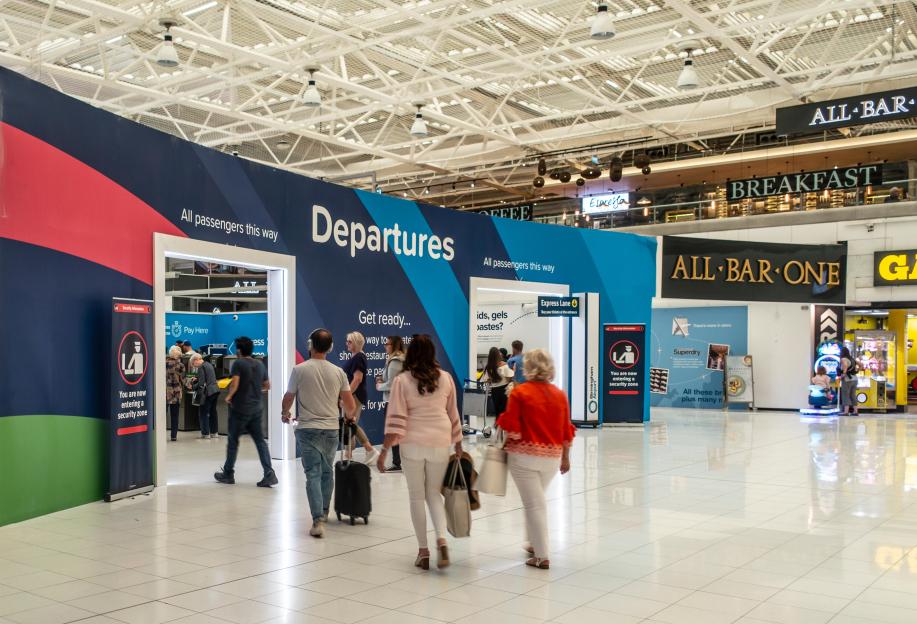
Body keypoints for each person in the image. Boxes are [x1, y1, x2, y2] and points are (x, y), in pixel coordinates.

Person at [376, 335, 462, 570]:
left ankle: (423, 551)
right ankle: (441, 540)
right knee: (434, 494)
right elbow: (453, 413)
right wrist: (458, 443)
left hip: (412, 441)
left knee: (416, 497)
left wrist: (384, 450)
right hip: (439, 441)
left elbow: (395, 419)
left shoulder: (402, 381)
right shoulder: (445, 378)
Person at [496, 349, 574, 570]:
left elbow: (512, 428)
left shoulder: (520, 393)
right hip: (551, 458)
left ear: (527, 367)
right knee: (535, 501)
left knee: (534, 504)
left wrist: (504, 444)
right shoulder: (560, 395)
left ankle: (541, 555)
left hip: (524, 458)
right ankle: (532, 542)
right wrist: (565, 458)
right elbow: (566, 431)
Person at [282, 329, 358, 538]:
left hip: (307, 429)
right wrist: (348, 415)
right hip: (331, 429)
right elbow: (350, 405)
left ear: (310, 345)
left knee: (312, 474)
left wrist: (284, 412)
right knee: (327, 472)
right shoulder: (338, 372)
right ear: (331, 347)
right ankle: (324, 512)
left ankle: (317, 520)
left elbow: (288, 397)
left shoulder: (299, 370)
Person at [214, 337, 277, 487]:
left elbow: (235, 383)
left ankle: (228, 473)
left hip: (240, 409)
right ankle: (269, 474)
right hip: (256, 409)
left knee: (233, 442)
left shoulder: (239, 363)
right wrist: (255, 391)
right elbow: (267, 385)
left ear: (239, 350)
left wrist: (229, 396)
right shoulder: (260, 364)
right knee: (260, 442)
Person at [343, 331, 379, 465]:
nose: (347, 343)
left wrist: (347, 395)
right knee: (349, 424)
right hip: (354, 395)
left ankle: (368, 450)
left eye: (350, 341)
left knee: (350, 423)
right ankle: (351, 454)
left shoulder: (359, 357)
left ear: (357, 343)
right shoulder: (356, 356)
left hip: (355, 395)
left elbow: (357, 379)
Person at [376, 335, 406, 471]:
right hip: (394, 399)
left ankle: (397, 462)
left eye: (387, 344)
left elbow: (393, 383)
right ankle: (398, 461)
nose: (385, 346)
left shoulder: (395, 361)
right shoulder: (395, 359)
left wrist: (379, 386)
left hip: (393, 400)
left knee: (392, 431)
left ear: (393, 346)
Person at [191, 354, 220, 438]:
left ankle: (205, 433)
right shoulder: (208, 364)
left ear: (196, 360)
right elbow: (209, 377)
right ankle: (214, 433)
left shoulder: (201, 367)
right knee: (213, 412)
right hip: (215, 390)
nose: (194, 366)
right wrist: (197, 378)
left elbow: (201, 384)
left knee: (203, 412)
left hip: (208, 393)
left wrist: (193, 386)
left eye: (193, 364)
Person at [479, 346, 513, 415]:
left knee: (497, 411)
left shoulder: (488, 367)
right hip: (504, 390)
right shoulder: (504, 366)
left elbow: (485, 380)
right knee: (504, 411)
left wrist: (492, 380)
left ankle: (497, 424)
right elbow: (510, 377)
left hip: (494, 391)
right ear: (498, 355)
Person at [166, 346, 185, 442]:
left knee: (162, 415)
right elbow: (183, 379)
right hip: (176, 392)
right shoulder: (180, 365)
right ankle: (173, 436)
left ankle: (160, 435)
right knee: (174, 415)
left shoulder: (163, 363)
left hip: (164, 392)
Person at [839, 347, 859, 416]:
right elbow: (861, 365)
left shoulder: (844, 359)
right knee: (853, 395)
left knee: (846, 395)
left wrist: (842, 376)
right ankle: (855, 411)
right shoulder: (852, 359)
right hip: (855, 379)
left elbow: (845, 367)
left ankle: (846, 411)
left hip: (847, 379)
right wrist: (856, 371)